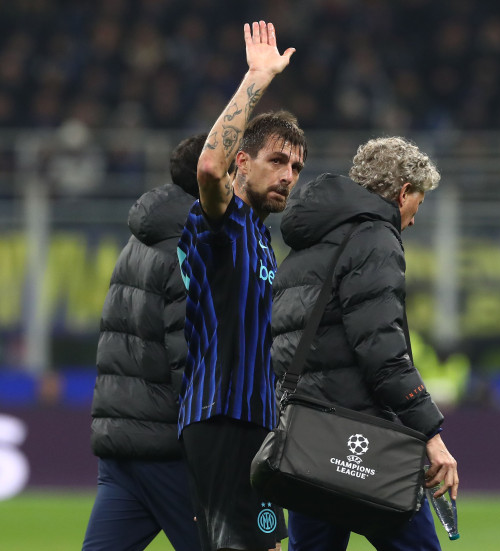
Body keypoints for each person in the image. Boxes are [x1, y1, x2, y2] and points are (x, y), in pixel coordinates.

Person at [270, 137, 459, 551]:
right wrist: (430, 434)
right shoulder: (375, 237)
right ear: (403, 192)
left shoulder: (307, 242)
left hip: (306, 439)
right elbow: (382, 352)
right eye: (418, 203)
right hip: (363, 439)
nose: (413, 219)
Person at [176, 21, 306, 551]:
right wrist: (257, 79)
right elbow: (209, 167)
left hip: (256, 423)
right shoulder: (222, 224)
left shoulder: (261, 239)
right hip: (221, 417)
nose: (289, 175)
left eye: (296, 166)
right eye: (277, 161)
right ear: (243, 163)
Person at [81, 133, 207, 551]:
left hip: (122, 442)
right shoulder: (190, 250)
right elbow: (188, 361)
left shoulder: (138, 242)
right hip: (169, 449)